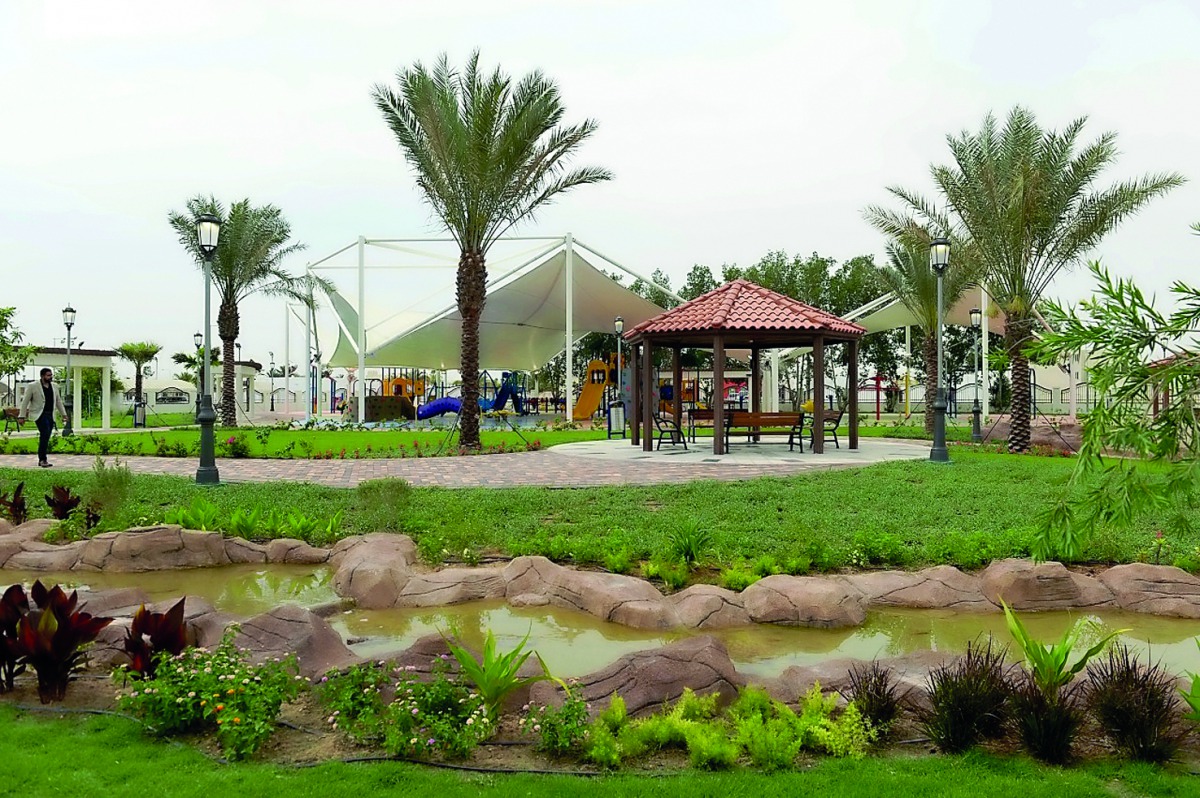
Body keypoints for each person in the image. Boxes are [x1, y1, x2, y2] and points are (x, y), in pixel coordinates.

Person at [16, 367, 67, 468]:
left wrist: (64, 414)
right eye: (48, 375)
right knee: (44, 433)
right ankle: (42, 459)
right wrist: (21, 416)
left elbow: (58, 401)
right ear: (42, 376)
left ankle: (43, 458)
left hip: (50, 414)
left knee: (47, 435)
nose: (50, 377)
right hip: (39, 414)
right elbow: (25, 402)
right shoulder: (33, 386)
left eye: (51, 375)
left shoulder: (54, 386)